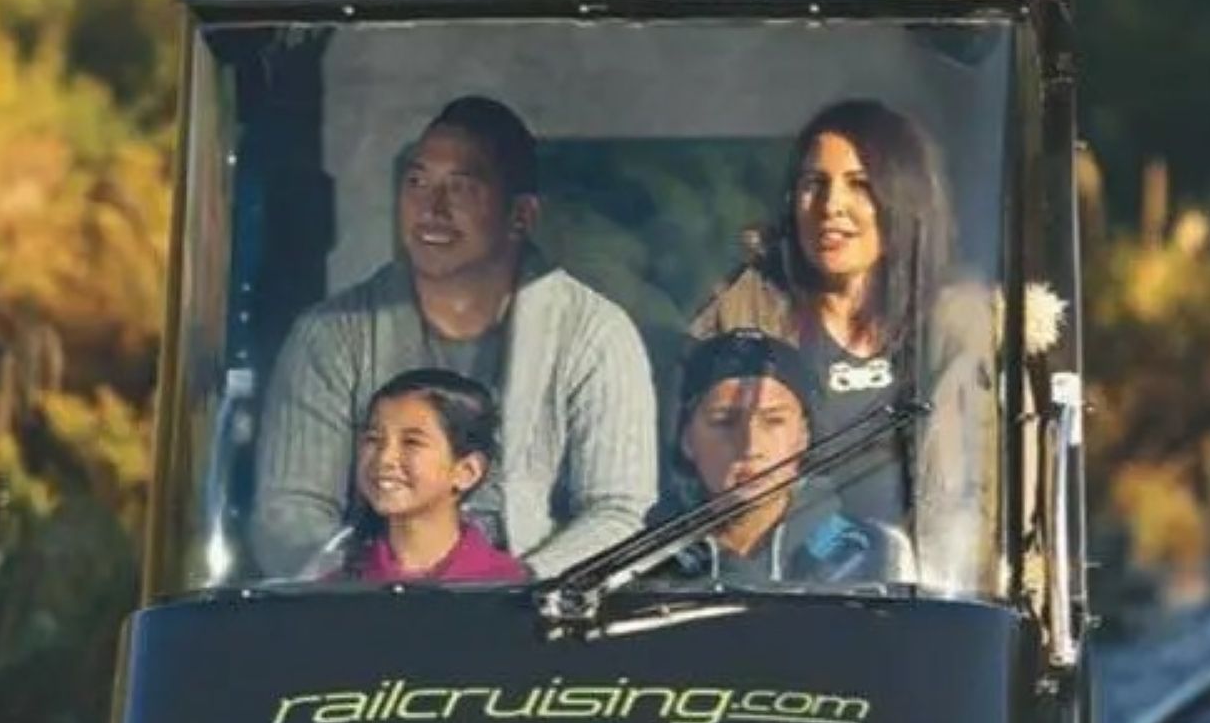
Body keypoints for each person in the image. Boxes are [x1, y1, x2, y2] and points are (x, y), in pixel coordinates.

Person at [250, 95, 658, 580]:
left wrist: (519, 589)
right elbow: (287, 510)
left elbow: (619, 514)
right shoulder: (330, 334)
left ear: (521, 216)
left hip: (541, 622)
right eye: (417, 182)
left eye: (460, 188)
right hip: (364, 615)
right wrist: (361, 585)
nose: (431, 208)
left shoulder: (596, 334)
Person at [683, 99, 987, 529]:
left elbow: (1006, 500)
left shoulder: (969, 331)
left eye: (859, 184)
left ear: (903, 198)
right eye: (814, 184)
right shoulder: (737, 319)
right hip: (784, 589)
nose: (831, 206)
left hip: (928, 590)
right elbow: (688, 491)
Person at [662, 328, 912, 587]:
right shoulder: (641, 560)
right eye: (724, 421)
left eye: (773, 421)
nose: (750, 445)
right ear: (686, 439)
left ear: (803, 435)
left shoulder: (875, 554)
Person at [333, 369, 528, 584]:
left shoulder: (506, 587)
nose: (384, 459)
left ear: (467, 471)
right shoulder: (338, 586)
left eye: (411, 442)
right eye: (373, 438)